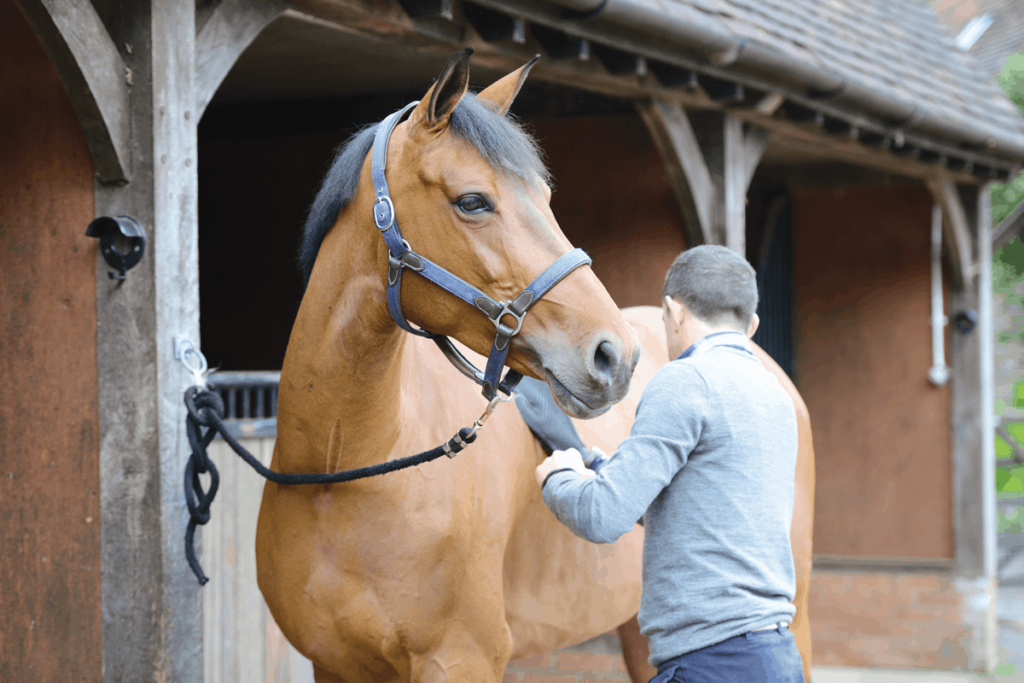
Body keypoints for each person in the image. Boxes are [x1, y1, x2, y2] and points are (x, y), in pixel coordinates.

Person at [535, 245, 803, 683]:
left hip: (708, 664)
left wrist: (558, 476)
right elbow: (694, 508)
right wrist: (603, 468)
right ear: (751, 324)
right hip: (774, 657)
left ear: (673, 312)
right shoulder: (773, 395)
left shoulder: (686, 380)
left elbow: (603, 516)